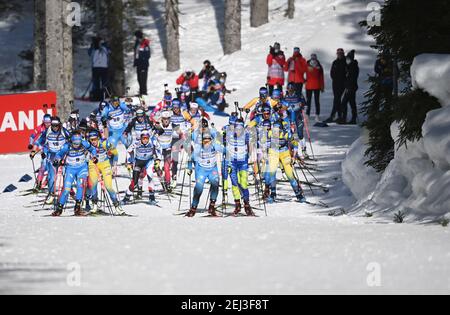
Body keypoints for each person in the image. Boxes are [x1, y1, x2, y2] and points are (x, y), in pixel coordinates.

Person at [52, 131, 97, 217]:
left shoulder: (84, 143)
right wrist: (57, 160)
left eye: (78, 143)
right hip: (70, 169)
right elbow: (58, 154)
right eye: (75, 143)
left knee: (80, 186)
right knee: (66, 189)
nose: (77, 145)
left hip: (82, 168)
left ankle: (77, 208)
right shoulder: (66, 146)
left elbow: (93, 149)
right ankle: (59, 209)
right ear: (71, 141)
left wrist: (94, 156)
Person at [32, 117, 70, 205]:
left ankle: (64, 194)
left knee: (64, 175)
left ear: (59, 124)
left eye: (56, 125)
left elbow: (72, 140)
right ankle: (52, 194)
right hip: (52, 155)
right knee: (51, 177)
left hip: (62, 155)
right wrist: (34, 151)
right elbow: (39, 141)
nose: (55, 128)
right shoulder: (48, 130)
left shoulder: (64, 131)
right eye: (53, 125)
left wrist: (67, 149)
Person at [86, 129, 125, 216]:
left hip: (105, 165)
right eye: (91, 140)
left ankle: (117, 206)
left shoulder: (105, 143)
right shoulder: (87, 145)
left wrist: (114, 166)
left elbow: (115, 153)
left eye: (95, 139)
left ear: (98, 138)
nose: (93, 142)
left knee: (108, 186)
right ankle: (94, 205)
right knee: (93, 185)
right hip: (93, 165)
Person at [186, 131, 223, 217]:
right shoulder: (198, 149)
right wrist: (189, 168)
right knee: (199, 188)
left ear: (211, 141)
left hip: (212, 169)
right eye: (204, 141)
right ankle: (193, 208)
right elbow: (190, 159)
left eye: (208, 141)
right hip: (202, 170)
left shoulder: (215, 146)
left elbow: (226, 151)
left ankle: (212, 206)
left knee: (215, 183)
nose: (206, 143)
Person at [223, 118, 254, 216]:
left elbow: (250, 145)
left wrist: (249, 155)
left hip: (243, 162)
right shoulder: (229, 131)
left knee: (244, 183)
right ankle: (237, 204)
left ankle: (247, 204)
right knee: (234, 183)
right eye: (237, 128)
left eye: (240, 128)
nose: (238, 130)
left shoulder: (246, 134)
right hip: (232, 162)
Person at [122, 130, 162, 206]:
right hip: (138, 162)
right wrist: (130, 162)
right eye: (143, 138)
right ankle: (126, 198)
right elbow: (128, 151)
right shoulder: (136, 143)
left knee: (150, 176)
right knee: (135, 181)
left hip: (149, 162)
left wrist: (158, 160)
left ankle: (152, 197)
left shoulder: (153, 142)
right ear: (140, 138)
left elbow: (160, 149)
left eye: (147, 138)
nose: (145, 140)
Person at [325, 48, 347, 123]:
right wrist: (334, 78)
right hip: (335, 83)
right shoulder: (335, 62)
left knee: (338, 99)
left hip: (343, 84)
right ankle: (338, 116)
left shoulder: (345, 62)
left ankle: (336, 115)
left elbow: (347, 73)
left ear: (343, 54)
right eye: (338, 53)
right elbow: (332, 73)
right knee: (336, 99)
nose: (339, 55)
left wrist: (344, 80)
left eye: (341, 53)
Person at [339, 50, 359, 125]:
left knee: (344, 102)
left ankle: (344, 118)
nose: (347, 60)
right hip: (350, 87)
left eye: (348, 59)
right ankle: (353, 118)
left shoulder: (353, 67)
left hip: (351, 87)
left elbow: (352, 78)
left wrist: (348, 87)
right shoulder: (349, 66)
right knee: (352, 102)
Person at [88, 36, 110, 101]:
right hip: (97, 67)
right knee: (96, 83)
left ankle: (104, 96)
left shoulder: (105, 47)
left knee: (104, 83)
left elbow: (109, 52)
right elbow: (89, 53)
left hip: (102, 67)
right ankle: (96, 96)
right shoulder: (94, 48)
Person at [305, 54, 325, 122]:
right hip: (309, 86)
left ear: (316, 58)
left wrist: (322, 86)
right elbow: (300, 72)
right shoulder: (307, 65)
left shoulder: (319, 66)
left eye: (314, 58)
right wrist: (303, 80)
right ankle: (307, 115)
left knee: (317, 101)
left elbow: (321, 77)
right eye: (312, 58)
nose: (313, 59)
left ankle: (317, 115)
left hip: (317, 86)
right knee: (308, 101)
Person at [134, 30, 151, 96]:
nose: (136, 38)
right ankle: (141, 90)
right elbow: (136, 54)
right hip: (138, 64)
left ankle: (144, 92)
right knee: (139, 78)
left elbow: (148, 54)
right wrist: (135, 62)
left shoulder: (145, 43)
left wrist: (143, 59)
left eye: (136, 36)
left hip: (144, 64)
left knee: (143, 78)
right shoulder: (137, 43)